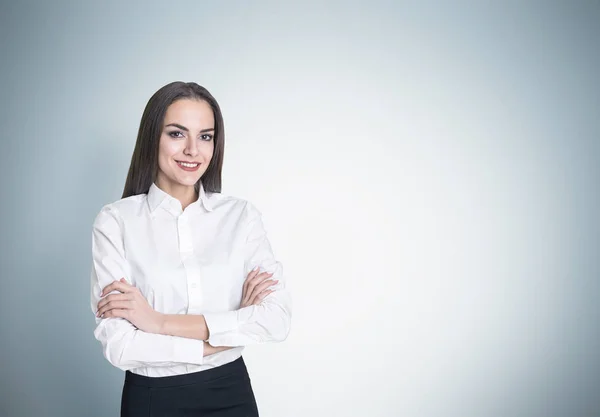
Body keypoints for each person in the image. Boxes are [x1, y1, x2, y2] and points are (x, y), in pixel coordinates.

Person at [89, 81, 292, 417]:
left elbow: (275, 320)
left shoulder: (241, 217)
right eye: (177, 133)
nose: (193, 150)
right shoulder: (116, 221)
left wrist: (156, 321)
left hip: (232, 393)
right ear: (152, 137)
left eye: (205, 136)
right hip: (153, 398)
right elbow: (121, 346)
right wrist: (227, 331)